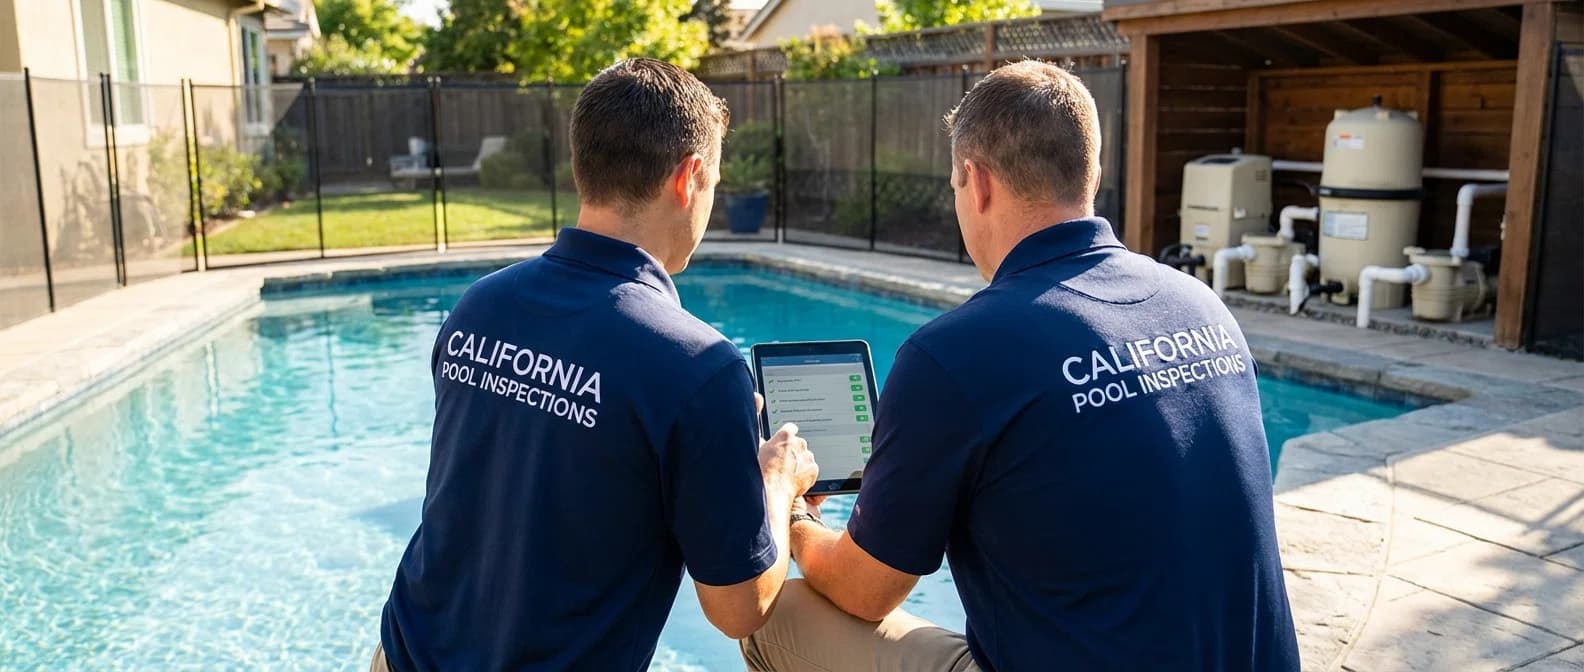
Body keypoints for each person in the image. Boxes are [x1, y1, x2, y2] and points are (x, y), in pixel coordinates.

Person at [742, 61, 1301, 672]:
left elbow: (865, 590)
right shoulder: (1200, 304)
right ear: (1091, 172)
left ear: (976, 182)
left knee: (777, 618)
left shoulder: (956, 354)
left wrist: (792, 510)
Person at [372, 58, 817, 671]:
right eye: (714, 181)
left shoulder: (479, 307)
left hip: (403, 655)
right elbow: (740, 609)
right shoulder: (698, 366)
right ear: (689, 178)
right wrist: (777, 481)